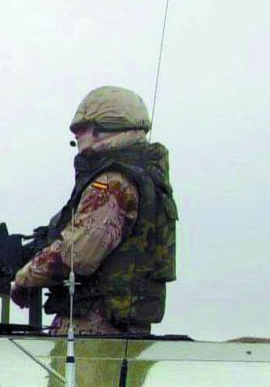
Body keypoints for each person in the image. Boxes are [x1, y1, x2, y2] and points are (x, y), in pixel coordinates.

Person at [12, 86, 178, 335]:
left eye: (82, 128)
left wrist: (25, 277)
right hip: (114, 326)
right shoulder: (136, 177)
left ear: (104, 129)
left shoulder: (112, 182)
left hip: (93, 326)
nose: (77, 135)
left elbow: (78, 254)